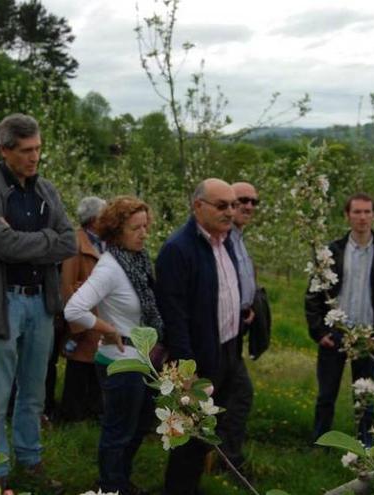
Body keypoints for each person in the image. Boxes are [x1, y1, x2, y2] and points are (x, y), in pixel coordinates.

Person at [0, 113, 76, 489]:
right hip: (3, 302)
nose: (34, 157)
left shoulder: (46, 190)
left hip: (40, 304)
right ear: (4, 150)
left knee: (34, 392)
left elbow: (69, 241)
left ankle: (30, 461)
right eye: (27, 150)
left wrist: (34, 242)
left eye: (38, 149)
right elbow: (3, 244)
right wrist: (46, 243)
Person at [64, 196, 158, 495]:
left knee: (141, 423)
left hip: (142, 356)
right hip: (119, 360)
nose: (143, 233)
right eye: (135, 228)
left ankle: (119, 479)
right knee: (119, 429)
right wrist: (107, 328)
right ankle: (109, 486)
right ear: (117, 231)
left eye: (146, 226)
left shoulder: (138, 260)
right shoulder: (110, 267)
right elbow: (74, 309)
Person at [156, 178, 243, 495]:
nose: (231, 212)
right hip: (198, 361)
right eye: (222, 205)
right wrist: (187, 371)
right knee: (189, 435)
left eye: (233, 205)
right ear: (198, 206)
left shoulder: (225, 240)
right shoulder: (178, 249)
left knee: (208, 430)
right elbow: (174, 316)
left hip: (227, 351)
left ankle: (190, 487)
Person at [305, 193, 374, 447]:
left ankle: (365, 448)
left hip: (367, 336)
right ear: (347, 215)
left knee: (365, 397)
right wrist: (319, 332)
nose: (362, 217)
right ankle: (321, 443)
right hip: (336, 332)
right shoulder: (330, 251)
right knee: (326, 395)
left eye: (367, 212)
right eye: (357, 212)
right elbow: (314, 294)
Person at [214, 181, 260, 470]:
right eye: (242, 200)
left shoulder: (238, 237)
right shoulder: (222, 238)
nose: (248, 206)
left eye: (254, 202)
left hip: (237, 327)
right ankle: (228, 459)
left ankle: (221, 456)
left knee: (230, 394)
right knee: (237, 394)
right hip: (220, 332)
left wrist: (249, 306)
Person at [59, 196, 106, 423]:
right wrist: (78, 324)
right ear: (94, 219)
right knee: (78, 366)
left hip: (100, 315)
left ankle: (92, 411)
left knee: (95, 365)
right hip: (85, 317)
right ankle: (72, 415)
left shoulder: (103, 242)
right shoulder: (75, 243)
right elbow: (67, 284)